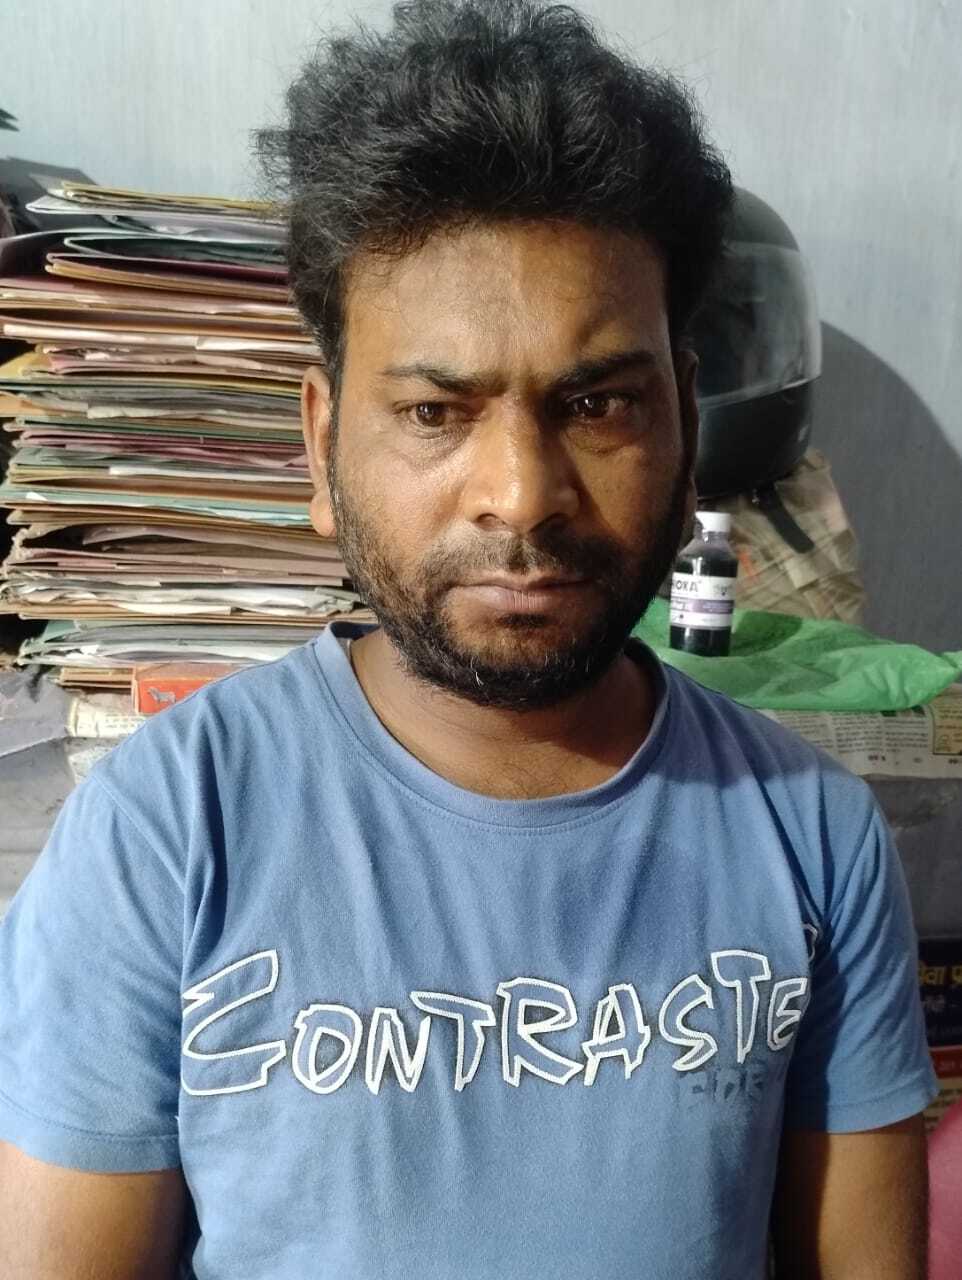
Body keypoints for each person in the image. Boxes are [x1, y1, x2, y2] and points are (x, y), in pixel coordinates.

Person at [0, 2, 937, 1276]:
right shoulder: (167, 831)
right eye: (436, 412)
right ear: (322, 444)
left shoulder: (812, 837)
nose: (521, 492)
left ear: (682, 425)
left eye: (597, 402)